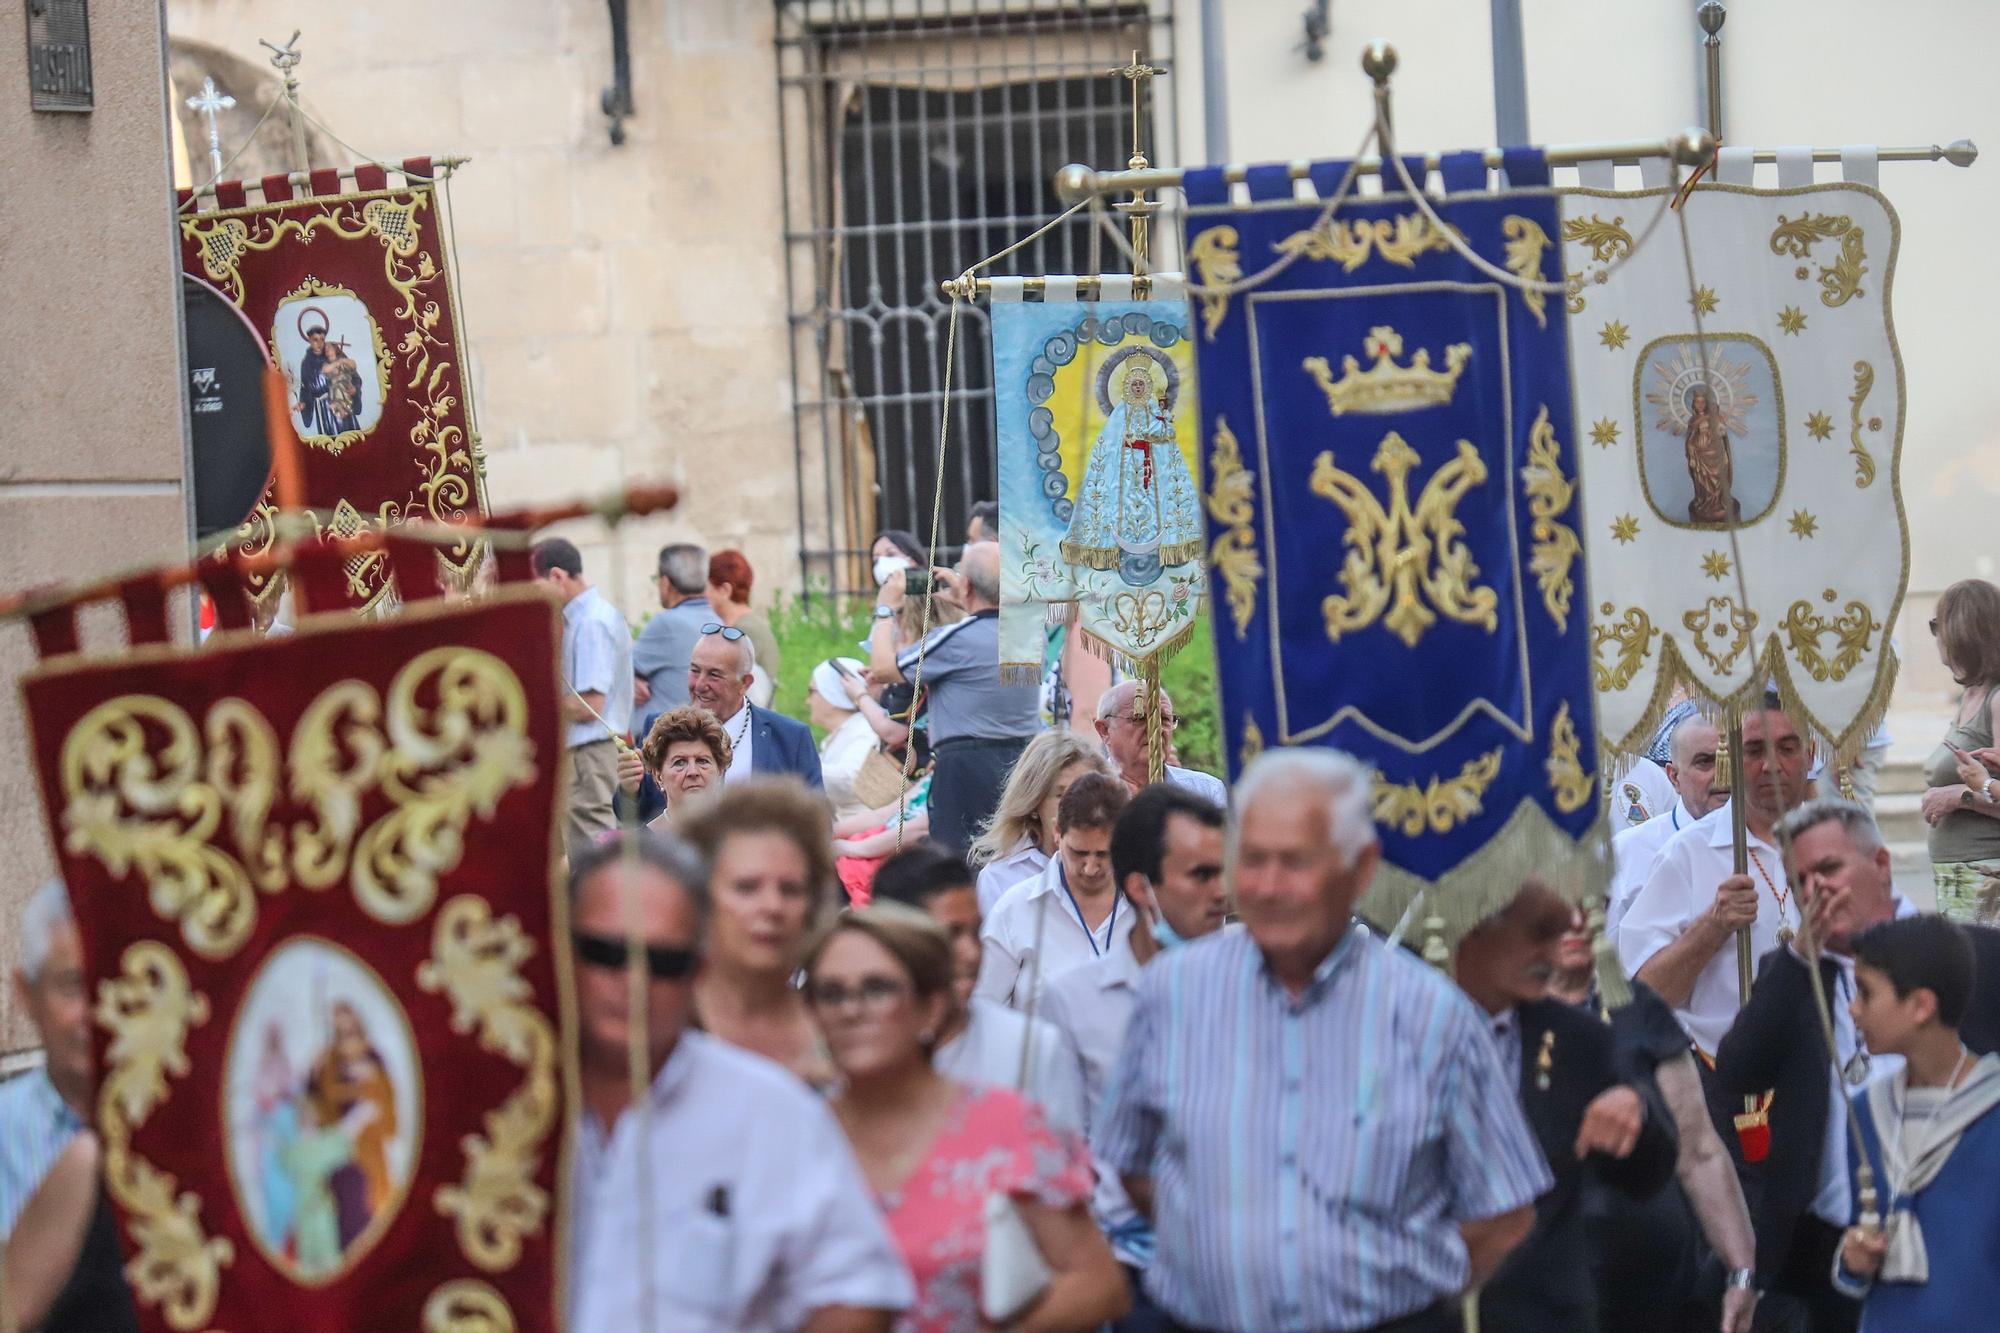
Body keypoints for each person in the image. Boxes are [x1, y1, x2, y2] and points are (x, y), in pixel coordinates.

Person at [1093, 749, 1549, 1333]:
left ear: (1360, 870)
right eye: (1252, 861)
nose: (1270, 886)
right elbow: (1130, 1163)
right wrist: (1217, 1244)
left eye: (1297, 862)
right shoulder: (1171, 994)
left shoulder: (1431, 1016)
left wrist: (1397, 1287)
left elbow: (1503, 1213)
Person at [566, 833, 912, 1330]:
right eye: (607, 953)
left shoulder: (770, 1112)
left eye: (664, 962)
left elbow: (858, 1292)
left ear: (697, 972)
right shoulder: (481, 1099)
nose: (634, 981)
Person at [1716, 799, 2000, 1332]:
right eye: (1800, 879)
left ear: (1883, 865)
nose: (1815, 890)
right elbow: (1738, 1074)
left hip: (1963, 1240)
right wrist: (1801, 961)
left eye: (1828, 868)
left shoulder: (1978, 958)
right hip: (1826, 1251)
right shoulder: (1794, 974)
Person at [803, 905, 1129, 1332]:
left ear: (930, 1008)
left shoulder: (1006, 1125)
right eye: (831, 993)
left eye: (877, 989)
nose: (851, 1010)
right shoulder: (794, 1132)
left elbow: (1099, 1284)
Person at [1038, 784, 1226, 1332]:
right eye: (1201, 876)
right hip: (1132, 1268)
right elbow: (1063, 1148)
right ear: (1142, 888)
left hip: (1245, 1262)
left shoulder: (1257, 988)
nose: (1223, 892)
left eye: (1224, 871)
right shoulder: (1074, 1001)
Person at [1452, 880, 1680, 1333]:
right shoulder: (1399, 1030)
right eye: (1537, 933)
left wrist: (1636, 1110)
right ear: (1476, 927)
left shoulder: (1579, 1036)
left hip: (1542, 1313)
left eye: (1557, 933)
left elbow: (1650, 1171)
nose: (1552, 951)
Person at [1618, 691, 1814, 1058]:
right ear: (1733, 760)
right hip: (1722, 1075)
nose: (1772, 765)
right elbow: (1645, 996)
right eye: (1755, 751)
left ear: (1811, 755)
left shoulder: (1838, 843)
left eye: (1788, 748)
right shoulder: (1688, 853)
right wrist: (1712, 927)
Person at [1834, 916, 2000, 1328]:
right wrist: (1852, 1260)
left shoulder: (1993, 1110)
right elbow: (1863, 1238)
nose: (1853, 1010)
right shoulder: (1867, 1111)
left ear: (1921, 1006)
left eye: (1866, 993)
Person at [869, 844, 1086, 1134]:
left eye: (976, 932)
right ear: (894, 939)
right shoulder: (857, 1046)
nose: (971, 953)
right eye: (951, 934)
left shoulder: (1031, 1049)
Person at [0, 881, 138, 1333]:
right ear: (26, 993)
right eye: (73, 985)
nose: (96, 1010)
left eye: (112, 981)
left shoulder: (191, 1130)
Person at [870, 541, 1040, 853]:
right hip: (1023, 762)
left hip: (966, 767)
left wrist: (885, 608)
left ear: (967, 585)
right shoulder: (1027, 635)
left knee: (960, 860)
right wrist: (973, 598)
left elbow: (882, 669)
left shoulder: (955, 640)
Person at [678, 779, 840, 1086]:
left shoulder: (840, 1028)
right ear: (699, 896)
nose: (772, 907)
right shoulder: (661, 1027)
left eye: (791, 889)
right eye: (747, 887)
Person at [975, 774, 1132, 1011]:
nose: (1090, 869)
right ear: (1057, 832)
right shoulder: (1016, 908)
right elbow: (982, 1008)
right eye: (1078, 853)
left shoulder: (1151, 907)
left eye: (1104, 855)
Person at [532, 537, 634, 854]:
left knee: (593, 846)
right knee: (580, 847)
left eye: (535, 585)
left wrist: (532, 705)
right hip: (587, 752)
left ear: (557, 577)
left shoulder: (591, 622)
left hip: (590, 751)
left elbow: (589, 705)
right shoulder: (583, 618)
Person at [1920, 578, 2000, 921]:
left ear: (1959, 630)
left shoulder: (1997, 700)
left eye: (1936, 625)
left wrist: (1957, 796)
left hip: (1985, 878)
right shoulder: (1972, 696)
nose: (1936, 636)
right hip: (1961, 876)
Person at [967, 731, 1115, 916]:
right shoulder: (1000, 877)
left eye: (1085, 791)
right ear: (1035, 804)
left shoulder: (1120, 868)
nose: (1075, 805)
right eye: (1060, 795)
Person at [1607, 711, 1725, 935]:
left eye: (1731, 760)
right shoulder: (1629, 851)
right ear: (1674, 777)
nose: (1723, 775)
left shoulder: (1772, 840)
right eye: (1704, 763)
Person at [689, 621, 822, 789]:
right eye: (695, 671)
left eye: (714, 675)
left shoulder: (790, 739)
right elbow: (648, 807)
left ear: (745, 683)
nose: (700, 684)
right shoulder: (661, 732)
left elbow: (815, 811)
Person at [1092, 681, 1227, 806]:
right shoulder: (1090, 795)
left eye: (1164, 719)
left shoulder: (1206, 791)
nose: (1156, 729)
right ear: (1105, 731)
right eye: (1140, 718)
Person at [631, 542, 710, 736]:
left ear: (666, 583)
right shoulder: (717, 620)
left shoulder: (665, 623)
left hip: (662, 741)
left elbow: (617, 675)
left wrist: (630, 677)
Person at [615, 704, 733, 829]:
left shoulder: (739, 837)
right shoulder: (644, 845)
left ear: (720, 770)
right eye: (680, 762)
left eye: (702, 761)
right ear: (658, 775)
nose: (692, 772)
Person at [707, 549, 781, 708]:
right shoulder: (743, 626)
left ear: (724, 590)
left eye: (707, 588)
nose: (704, 595)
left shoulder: (744, 631)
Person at [812, 657, 881, 824]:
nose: (808, 701)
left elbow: (850, 781)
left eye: (811, 692)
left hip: (863, 833)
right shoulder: (844, 733)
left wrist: (796, 765)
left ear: (831, 694)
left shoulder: (866, 729)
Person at [1683, 385, 1738, 524]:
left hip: (1716, 454)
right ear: (1693, 404)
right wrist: (1691, 453)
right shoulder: (1693, 421)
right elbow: (1690, 440)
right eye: (1697, 402)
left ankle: (1720, 502)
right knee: (1703, 483)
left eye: (1703, 402)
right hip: (1701, 457)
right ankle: (1704, 503)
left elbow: (1722, 434)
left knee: (1720, 477)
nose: (1700, 405)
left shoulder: (1715, 417)